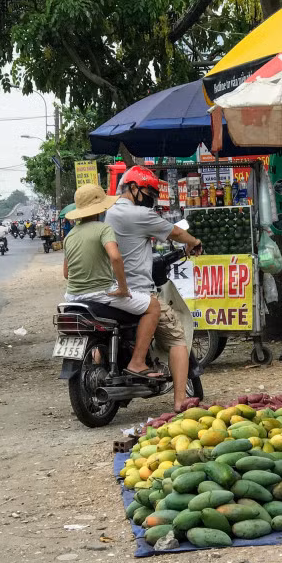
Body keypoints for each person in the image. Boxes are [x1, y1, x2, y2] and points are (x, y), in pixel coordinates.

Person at [105, 165, 202, 413]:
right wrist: (194, 242)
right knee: (178, 338)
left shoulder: (109, 213)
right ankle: (180, 401)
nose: (151, 197)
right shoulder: (139, 215)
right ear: (133, 188)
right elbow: (177, 232)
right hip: (138, 289)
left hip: (108, 291)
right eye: (148, 191)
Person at [62, 184, 164, 379]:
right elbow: (116, 257)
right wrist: (123, 288)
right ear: (100, 207)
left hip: (73, 298)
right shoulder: (103, 229)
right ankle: (137, 363)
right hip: (100, 295)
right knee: (153, 307)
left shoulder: (70, 236)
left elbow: (66, 273)